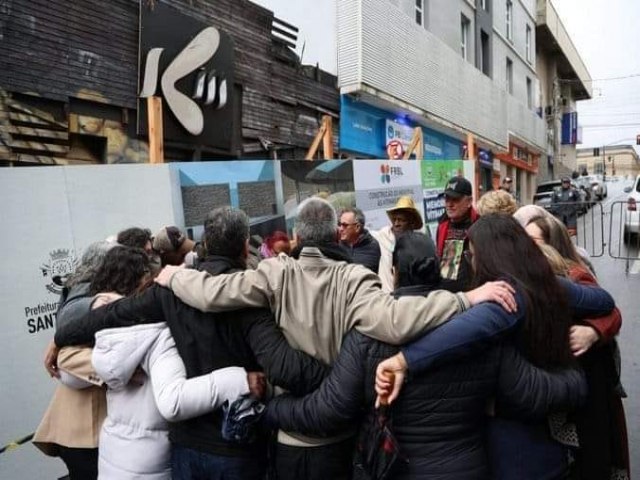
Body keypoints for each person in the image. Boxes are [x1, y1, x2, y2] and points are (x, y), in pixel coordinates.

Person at [153, 197, 517, 480]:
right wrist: (465, 298)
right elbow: (395, 320)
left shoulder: (274, 273)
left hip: (287, 439)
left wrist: (173, 277)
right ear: (333, 235)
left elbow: (213, 292)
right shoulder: (355, 279)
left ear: (298, 236)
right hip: (340, 440)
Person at [263, 231, 590, 479]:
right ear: (437, 268)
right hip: (467, 469)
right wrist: (576, 375)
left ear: (394, 271)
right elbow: (534, 392)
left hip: (394, 469)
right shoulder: (479, 331)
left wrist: (273, 408)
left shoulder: (368, 336)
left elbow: (327, 411)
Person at [54, 207, 330, 480]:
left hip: (185, 447)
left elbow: (113, 314)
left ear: (206, 244)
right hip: (236, 447)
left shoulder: (169, 290)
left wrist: (62, 337)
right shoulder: (249, 299)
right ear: (246, 247)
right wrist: (342, 378)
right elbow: (284, 367)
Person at [375, 214, 617, 479]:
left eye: (474, 255)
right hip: (552, 445)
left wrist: (403, 361)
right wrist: (594, 329)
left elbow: (466, 330)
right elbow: (603, 300)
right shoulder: (549, 285)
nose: (473, 262)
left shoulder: (508, 296)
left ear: (491, 256)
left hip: (514, 452)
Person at [83, 246, 253, 480]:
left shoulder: (105, 328)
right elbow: (173, 402)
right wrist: (238, 379)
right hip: (148, 462)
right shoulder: (156, 333)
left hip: (114, 453)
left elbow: (69, 368)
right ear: (142, 282)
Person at [523, 214, 629, 479]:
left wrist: (592, 331)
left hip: (589, 385)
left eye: (533, 240)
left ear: (552, 243)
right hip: (561, 383)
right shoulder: (531, 276)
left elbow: (611, 311)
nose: (525, 247)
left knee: (591, 456)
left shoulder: (576, 274)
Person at [34, 241, 115, 480]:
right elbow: (67, 356)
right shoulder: (88, 293)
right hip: (84, 433)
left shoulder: (84, 289)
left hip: (85, 430)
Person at [372, 195, 424, 291]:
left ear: (411, 223)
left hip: (408, 299)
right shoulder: (384, 236)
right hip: (386, 299)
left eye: (401, 220)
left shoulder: (420, 246)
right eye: (394, 219)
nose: (396, 224)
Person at [436, 176, 479, 292]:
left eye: (455, 199)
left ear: (469, 201)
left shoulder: (479, 225)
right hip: (447, 296)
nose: (449, 204)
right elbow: (446, 269)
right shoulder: (442, 225)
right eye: (447, 199)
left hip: (472, 297)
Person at [338, 207, 381, 272]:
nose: (340, 229)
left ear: (357, 227)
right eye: (339, 224)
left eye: (345, 225)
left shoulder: (372, 246)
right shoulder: (337, 244)